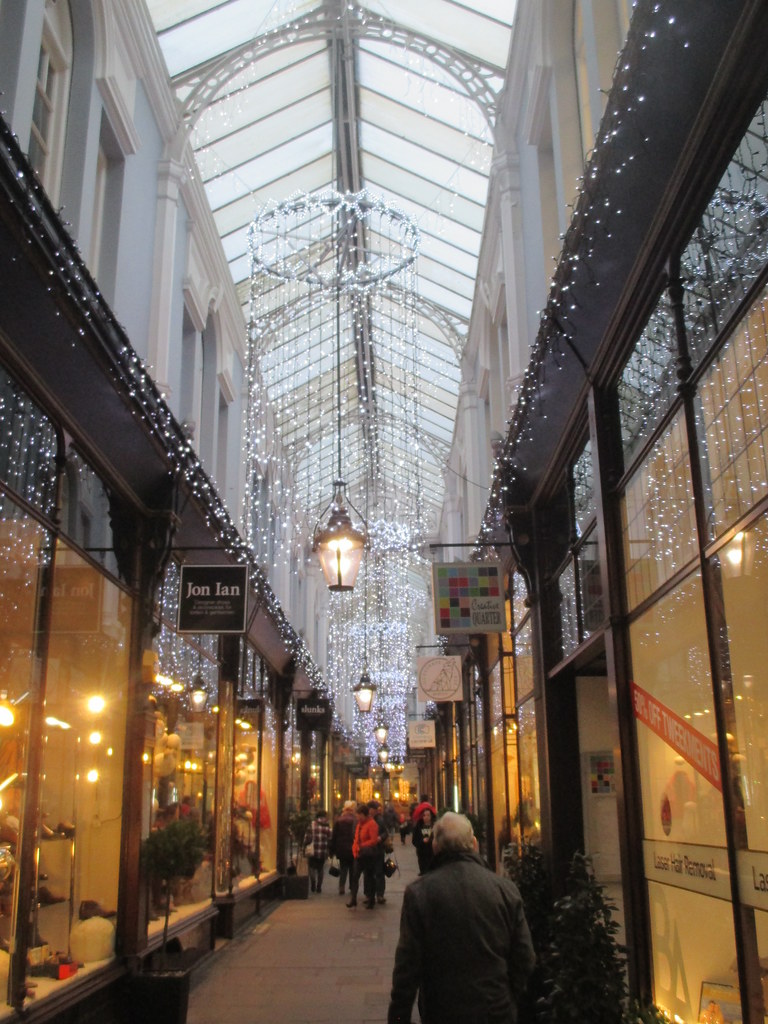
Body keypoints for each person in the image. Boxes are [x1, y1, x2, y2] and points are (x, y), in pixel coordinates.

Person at [388, 811, 535, 1024]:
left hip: (443, 1011)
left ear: (435, 847)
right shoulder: (505, 890)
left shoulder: (420, 893)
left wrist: (398, 1017)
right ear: (474, 844)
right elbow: (525, 957)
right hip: (496, 1011)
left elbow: (407, 969)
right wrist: (507, 995)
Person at [350, 803, 379, 909]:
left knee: (369, 877)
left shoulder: (372, 824)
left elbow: (374, 840)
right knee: (355, 876)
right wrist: (355, 848)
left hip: (368, 855)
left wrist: (362, 845)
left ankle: (371, 899)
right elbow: (356, 838)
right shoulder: (359, 825)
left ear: (364, 814)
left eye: (358, 815)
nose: (357, 817)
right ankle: (353, 899)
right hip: (358, 854)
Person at [330, 800, 357, 896]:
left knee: (343, 868)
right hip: (353, 848)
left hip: (341, 849)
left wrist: (332, 850)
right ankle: (352, 886)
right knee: (352, 869)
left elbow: (334, 836)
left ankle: (342, 886)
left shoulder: (339, 820)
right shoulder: (355, 820)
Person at [303, 808, 331, 894]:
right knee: (320, 869)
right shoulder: (327, 826)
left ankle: (313, 882)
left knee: (311, 867)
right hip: (322, 851)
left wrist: (304, 846)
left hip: (312, 851)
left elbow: (306, 838)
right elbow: (330, 838)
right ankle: (319, 886)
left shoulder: (312, 825)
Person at [368, 799, 388, 903]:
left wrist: (380, 837)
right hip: (368, 850)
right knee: (369, 873)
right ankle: (369, 894)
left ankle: (380, 894)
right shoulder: (365, 819)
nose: (376, 811)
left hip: (378, 850)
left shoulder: (380, 820)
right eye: (374, 809)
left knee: (379, 872)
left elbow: (385, 833)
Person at [412, 807, 435, 875]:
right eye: (424, 815)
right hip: (422, 853)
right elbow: (414, 840)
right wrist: (422, 841)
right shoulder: (418, 826)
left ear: (431, 816)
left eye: (428, 815)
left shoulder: (435, 826)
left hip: (432, 853)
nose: (426, 817)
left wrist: (430, 840)